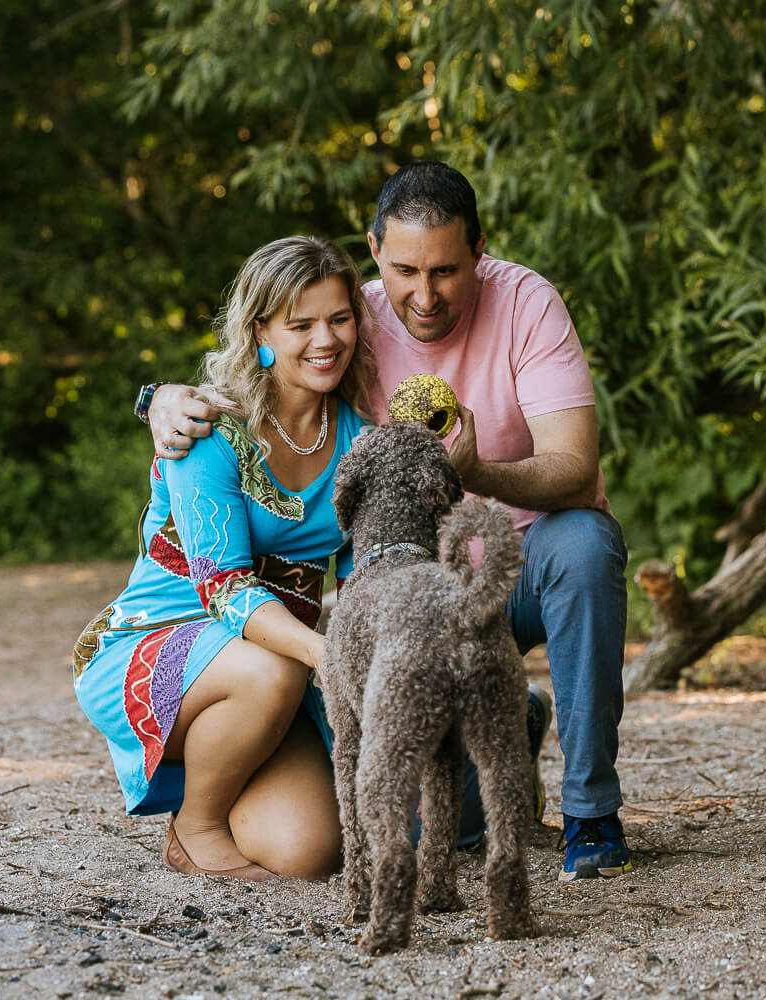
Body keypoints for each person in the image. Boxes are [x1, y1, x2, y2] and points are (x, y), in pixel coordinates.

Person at [143, 161, 633, 882]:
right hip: (410, 595)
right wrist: (157, 396)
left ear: (479, 251)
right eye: (405, 269)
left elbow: (577, 467)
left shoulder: (525, 302)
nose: (424, 295)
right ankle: (510, 721)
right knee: (403, 829)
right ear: (375, 251)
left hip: (522, 563)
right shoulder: (350, 320)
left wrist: (476, 473)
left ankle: (592, 815)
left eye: (446, 271)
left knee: (586, 544)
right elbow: (258, 378)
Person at [73, 235, 377, 881]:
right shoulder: (208, 429)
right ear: (260, 329)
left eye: (340, 319)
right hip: (160, 645)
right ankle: (197, 826)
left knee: (308, 854)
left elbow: (360, 581)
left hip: (276, 665)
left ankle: (227, 764)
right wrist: (326, 656)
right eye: (301, 325)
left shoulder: (359, 438)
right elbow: (224, 589)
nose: (326, 340)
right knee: (269, 673)